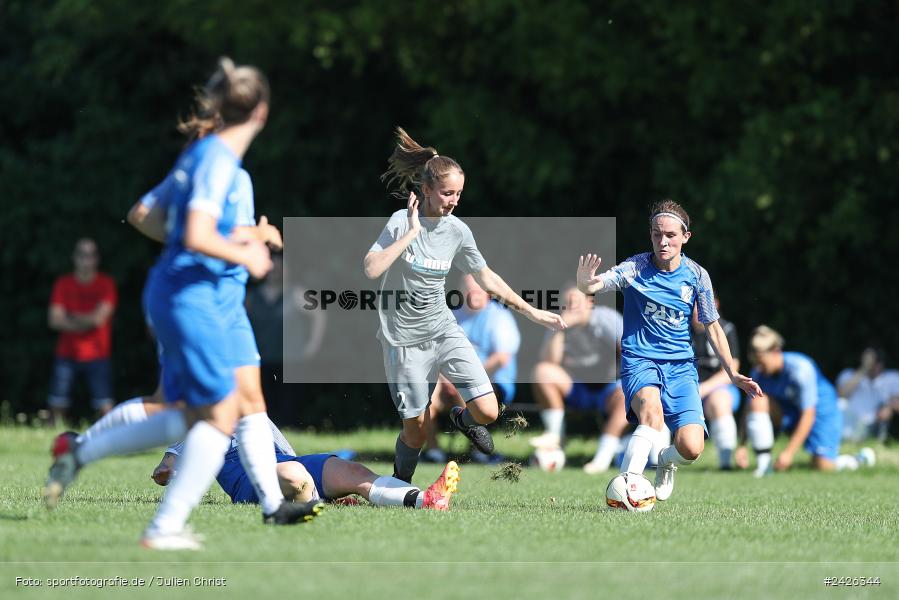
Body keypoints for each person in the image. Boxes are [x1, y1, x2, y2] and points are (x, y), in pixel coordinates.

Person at [44, 58, 322, 550]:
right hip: (194, 298)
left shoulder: (212, 159)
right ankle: (153, 517)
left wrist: (246, 237)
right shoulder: (215, 160)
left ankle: (271, 506)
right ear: (261, 112)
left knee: (245, 403)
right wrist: (247, 253)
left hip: (219, 300)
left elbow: (149, 215)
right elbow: (194, 233)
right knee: (208, 416)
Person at [364, 127, 566, 484]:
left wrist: (531, 311)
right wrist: (411, 234)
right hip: (403, 340)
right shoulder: (400, 222)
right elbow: (371, 268)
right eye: (447, 193)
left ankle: (462, 420)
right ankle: (398, 487)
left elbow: (486, 277)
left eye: (458, 193)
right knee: (416, 431)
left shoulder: (458, 231)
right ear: (426, 190)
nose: (454, 200)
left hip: (443, 329)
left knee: (487, 411)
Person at [576, 199, 761, 501]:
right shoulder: (636, 267)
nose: (663, 241)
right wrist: (587, 284)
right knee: (651, 413)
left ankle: (665, 460)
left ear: (686, 237)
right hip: (640, 360)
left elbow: (713, 327)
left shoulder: (697, 276)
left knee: (692, 447)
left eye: (671, 235)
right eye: (657, 234)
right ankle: (627, 490)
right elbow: (601, 283)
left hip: (681, 367)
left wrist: (732, 373)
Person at [151, 420, 460, 510]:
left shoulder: (252, 410)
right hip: (248, 480)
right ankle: (315, 501)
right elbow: (166, 467)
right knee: (293, 474)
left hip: (284, 463)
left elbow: (288, 453)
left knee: (352, 471)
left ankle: (425, 500)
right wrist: (168, 472)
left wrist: (325, 478)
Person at [529, 284, 630, 475]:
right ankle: (555, 438)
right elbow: (550, 362)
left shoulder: (606, 319)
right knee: (542, 372)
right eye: (566, 303)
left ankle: (602, 459)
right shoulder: (558, 322)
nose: (570, 307)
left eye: (574, 302)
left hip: (609, 387)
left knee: (627, 397)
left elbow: (629, 350)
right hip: (577, 387)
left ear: (590, 302)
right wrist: (560, 329)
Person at [745, 325, 875, 473]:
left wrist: (789, 453)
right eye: (756, 363)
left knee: (823, 466)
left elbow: (808, 414)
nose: (759, 368)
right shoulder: (758, 371)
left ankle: (858, 459)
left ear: (776, 351)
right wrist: (742, 446)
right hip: (791, 410)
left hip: (821, 411)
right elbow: (749, 406)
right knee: (758, 401)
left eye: (761, 362)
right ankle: (764, 466)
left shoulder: (801, 369)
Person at [423, 274, 521, 463]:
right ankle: (434, 452)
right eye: (467, 288)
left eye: (477, 288)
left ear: (488, 292)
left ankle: (479, 452)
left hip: (493, 383)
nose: (472, 293)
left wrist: (462, 377)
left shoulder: (500, 317)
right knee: (425, 392)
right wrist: (446, 378)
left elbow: (501, 358)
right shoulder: (451, 316)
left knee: (468, 388)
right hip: (450, 381)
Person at [246, 253, 326, 426]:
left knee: (290, 408)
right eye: (272, 268)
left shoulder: (297, 294)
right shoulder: (252, 297)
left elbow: (319, 315)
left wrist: (312, 345)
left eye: (280, 268)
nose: (275, 272)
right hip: (260, 360)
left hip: (291, 360)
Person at [47, 238, 117, 424]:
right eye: (82, 254)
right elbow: (54, 320)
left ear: (97, 258)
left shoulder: (106, 284)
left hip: (98, 354)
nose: (86, 259)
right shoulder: (63, 283)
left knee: (105, 408)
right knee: (56, 405)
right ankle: (51, 435)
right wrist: (88, 320)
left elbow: (99, 319)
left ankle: (108, 437)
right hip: (67, 354)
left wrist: (70, 317)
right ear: (74, 257)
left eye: (90, 255)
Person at [690, 296, 741, 470]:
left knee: (719, 401)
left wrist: (702, 389)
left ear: (714, 305)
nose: (696, 310)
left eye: (699, 305)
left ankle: (726, 463)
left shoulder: (725, 329)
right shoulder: (679, 330)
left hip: (717, 389)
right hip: (686, 389)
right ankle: (654, 462)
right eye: (693, 305)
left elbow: (732, 369)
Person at [836, 347, 899, 442]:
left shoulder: (893, 377)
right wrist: (863, 369)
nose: (872, 365)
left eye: (874, 361)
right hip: (850, 421)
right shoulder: (848, 374)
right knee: (840, 403)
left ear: (881, 363)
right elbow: (841, 395)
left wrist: (889, 407)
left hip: (874, 423)